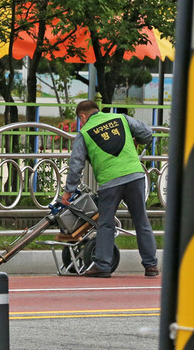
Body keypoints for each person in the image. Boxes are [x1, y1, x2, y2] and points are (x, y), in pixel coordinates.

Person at [61, 100, 159, 278]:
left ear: (82, 116)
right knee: (141, 221)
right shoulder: (120, 118)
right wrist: (137, 140)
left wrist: (69, 190)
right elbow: (147, 132)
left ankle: (103, 265)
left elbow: (76, 164)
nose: (81, 123)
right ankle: (151, 265)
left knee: (106, 223)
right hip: (135, 176)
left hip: (110, 182)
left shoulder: (84, 133)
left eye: (80, 120)